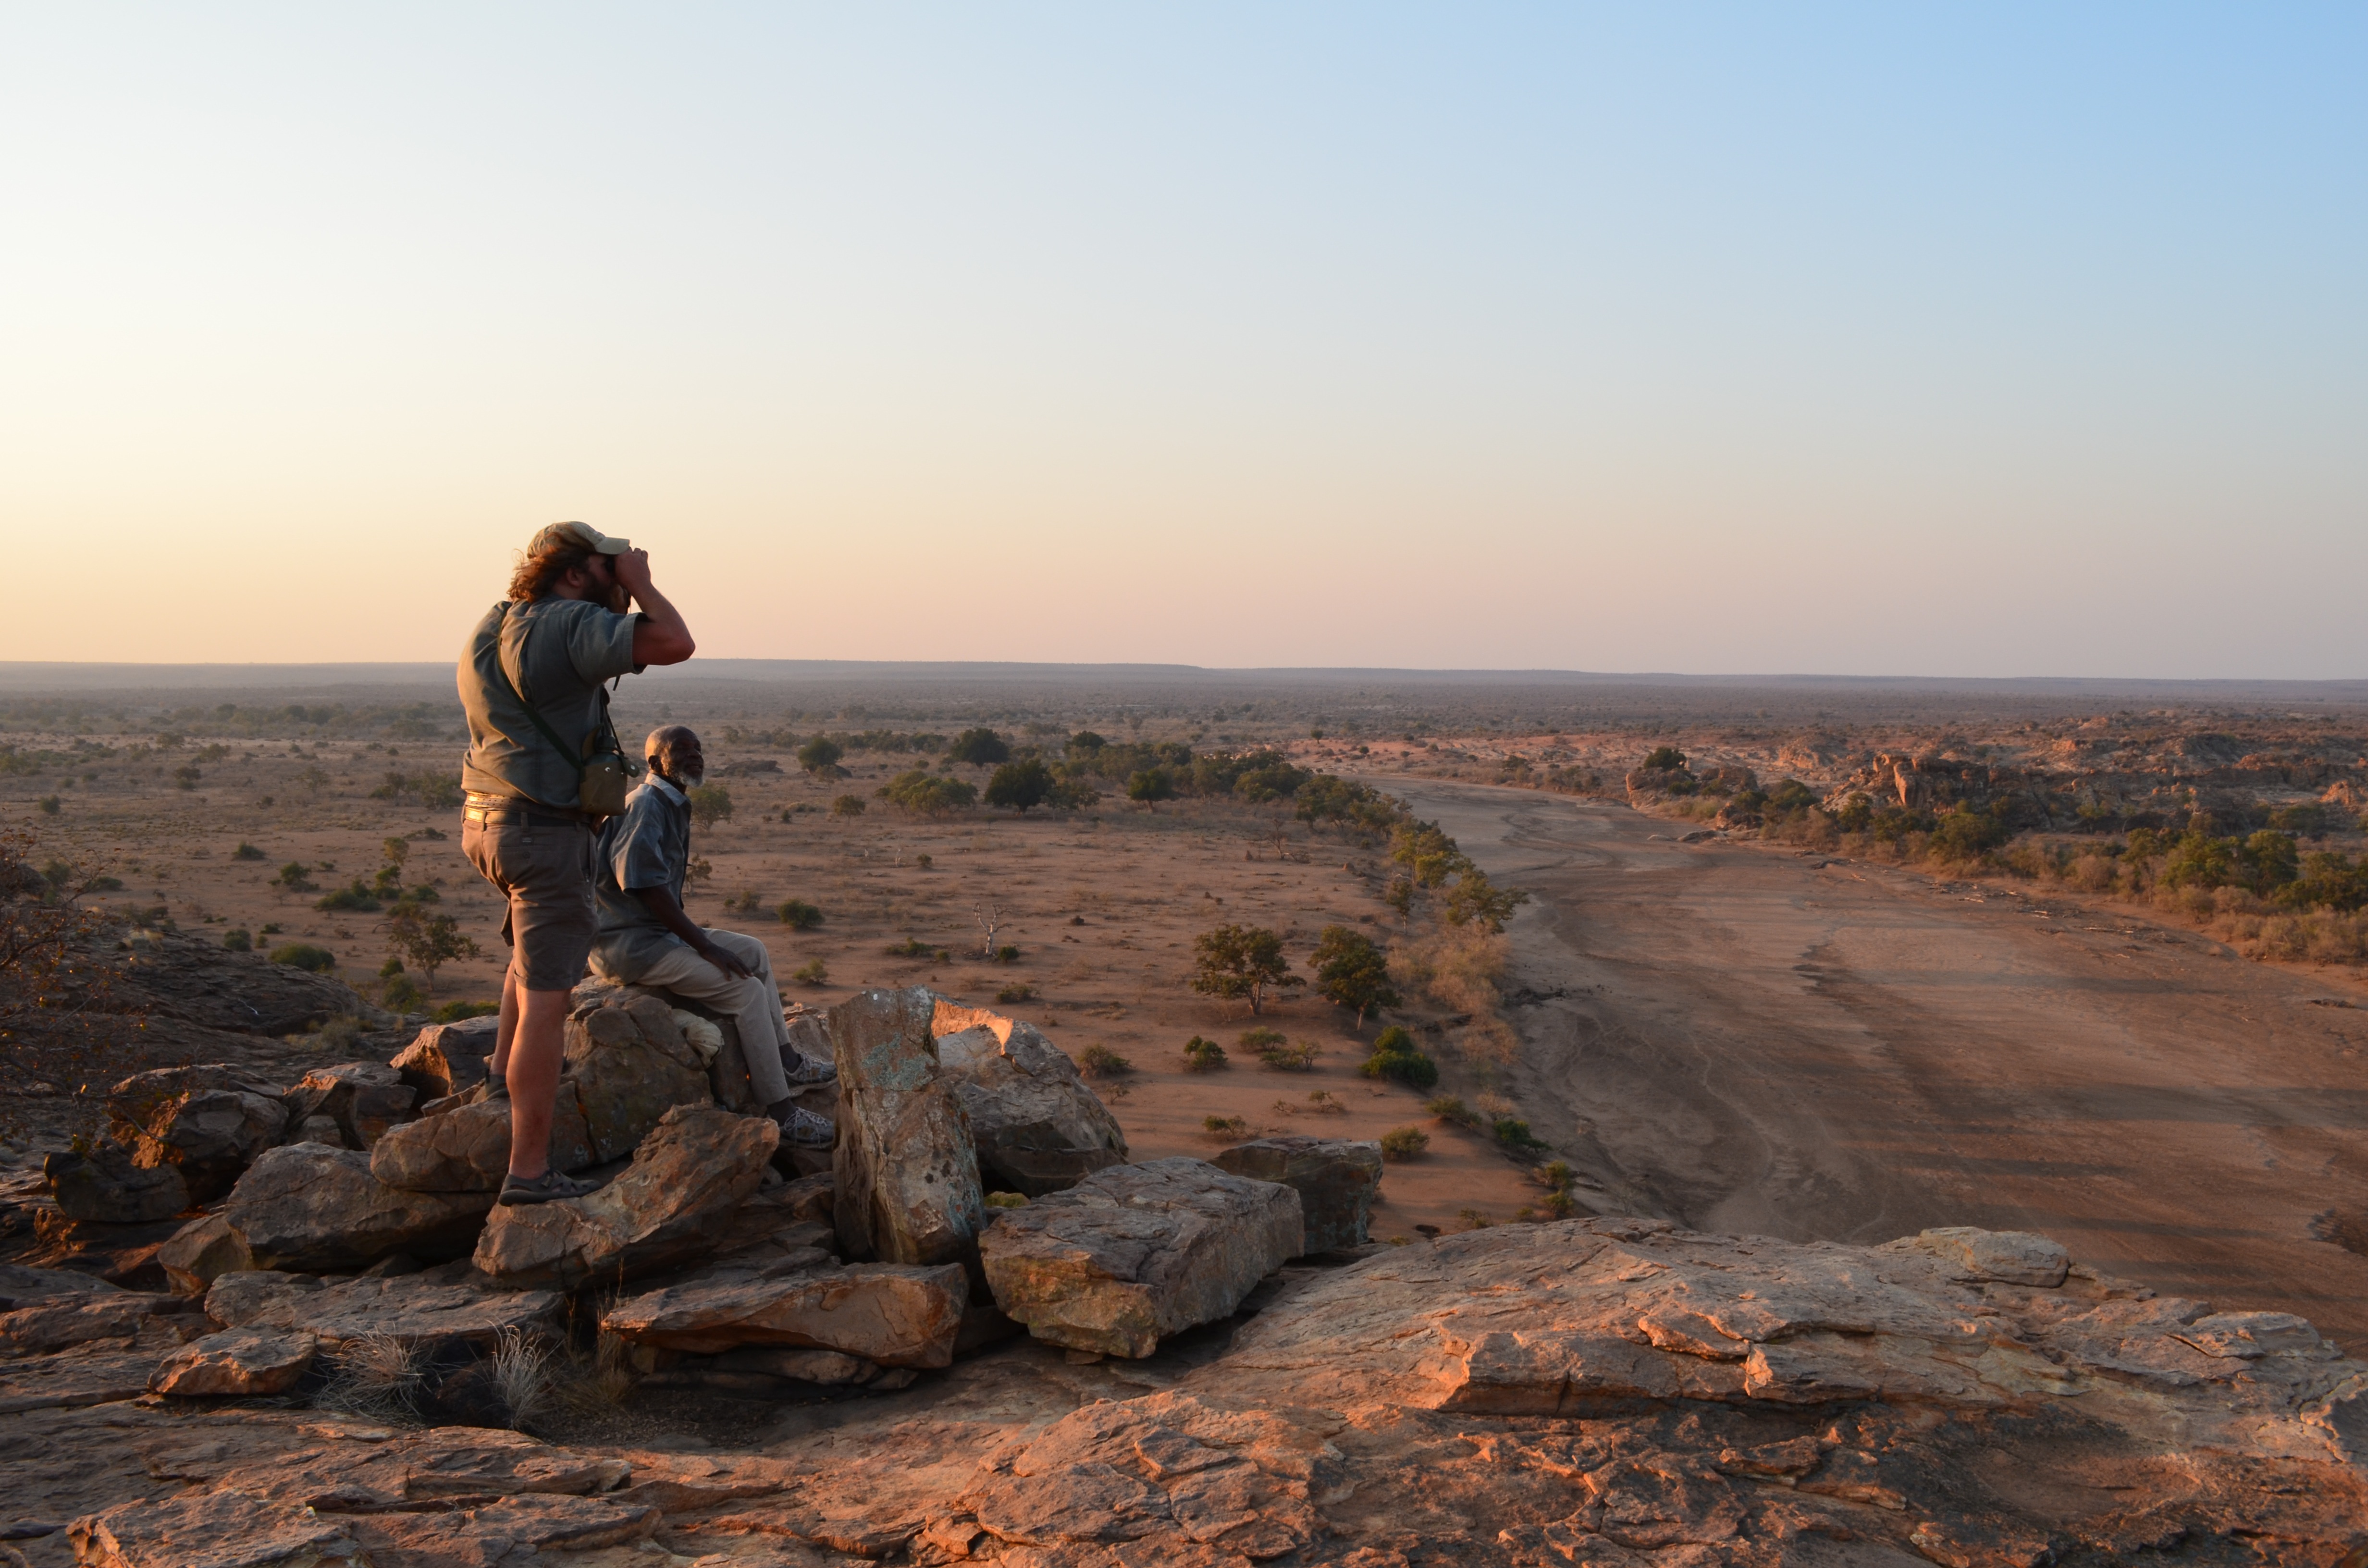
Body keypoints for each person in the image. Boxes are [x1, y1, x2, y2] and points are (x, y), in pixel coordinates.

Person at [457, 522, 696, 1205]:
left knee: (530, 956)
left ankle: (500, 1070)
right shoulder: (567, 624)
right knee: (549, 1001)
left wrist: (616, 578)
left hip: (487, 821)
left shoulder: (495, 622)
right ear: (571, 574)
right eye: (606, 565)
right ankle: (528, 1173)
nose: (619, 575)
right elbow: (675, 641)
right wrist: (643, 585)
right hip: (543, 832)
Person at [589, 726, 837, 1146]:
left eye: (698, 748)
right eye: (681, 750)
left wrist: (704, 944)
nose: (695, 756)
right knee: (746, 992)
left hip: (653, 934)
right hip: (631, 945)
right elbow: (644, 886)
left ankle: (788, 1059)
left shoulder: (668, 801)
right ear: (654, 764)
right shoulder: (647, 805)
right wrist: (704, 946)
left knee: (753, 951)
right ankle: (782, 1112)